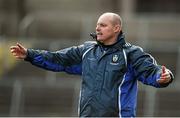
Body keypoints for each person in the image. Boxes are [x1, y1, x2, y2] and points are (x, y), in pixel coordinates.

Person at [10, 12, 174, 117]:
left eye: (103, 25)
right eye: (97, 25)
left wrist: (163, 77)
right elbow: (58, 59)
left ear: (117, 28)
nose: (97, 28)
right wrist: (29, 55)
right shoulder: (87, 51)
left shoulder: (130, 53)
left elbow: (151, 71)